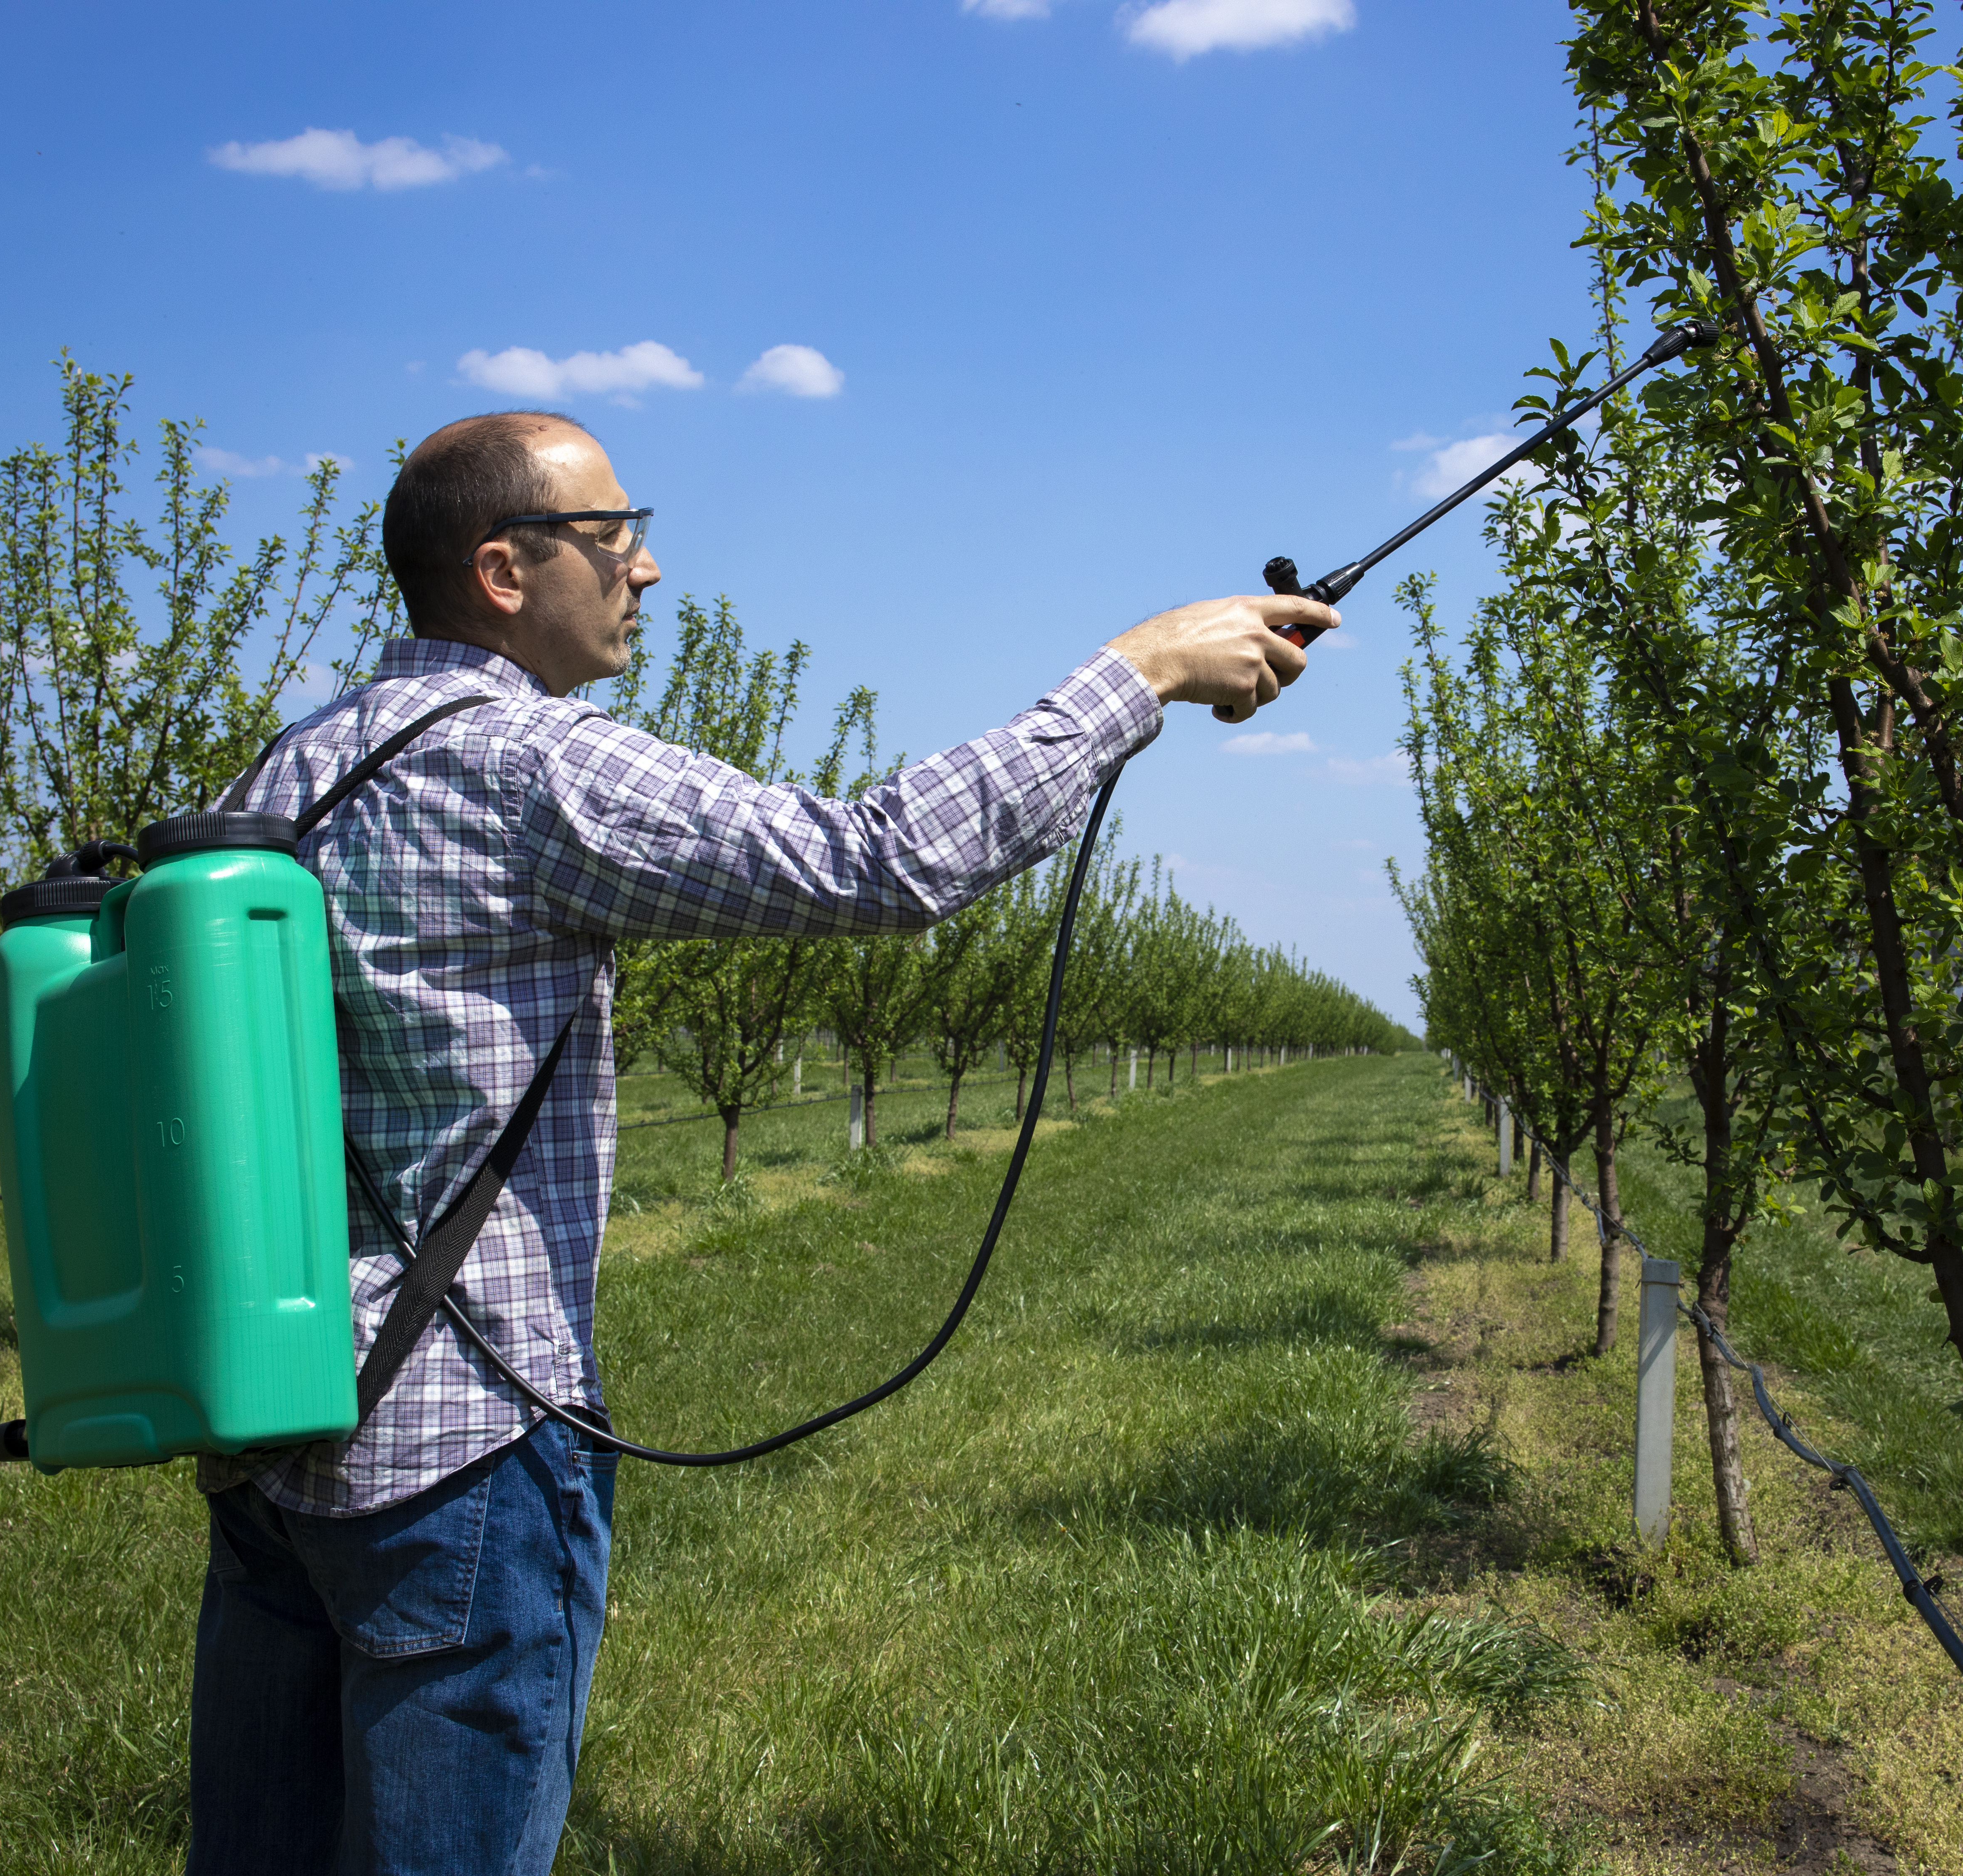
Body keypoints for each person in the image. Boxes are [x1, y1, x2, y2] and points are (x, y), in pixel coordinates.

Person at [183, 409, 1331, 1875]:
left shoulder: (287, 774)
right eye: (615, 538)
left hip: (272, 1426)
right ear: (504, 570)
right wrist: (1138, 677)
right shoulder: (532, 768)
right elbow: (877, 859)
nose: (648, 572)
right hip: (461, 1445)